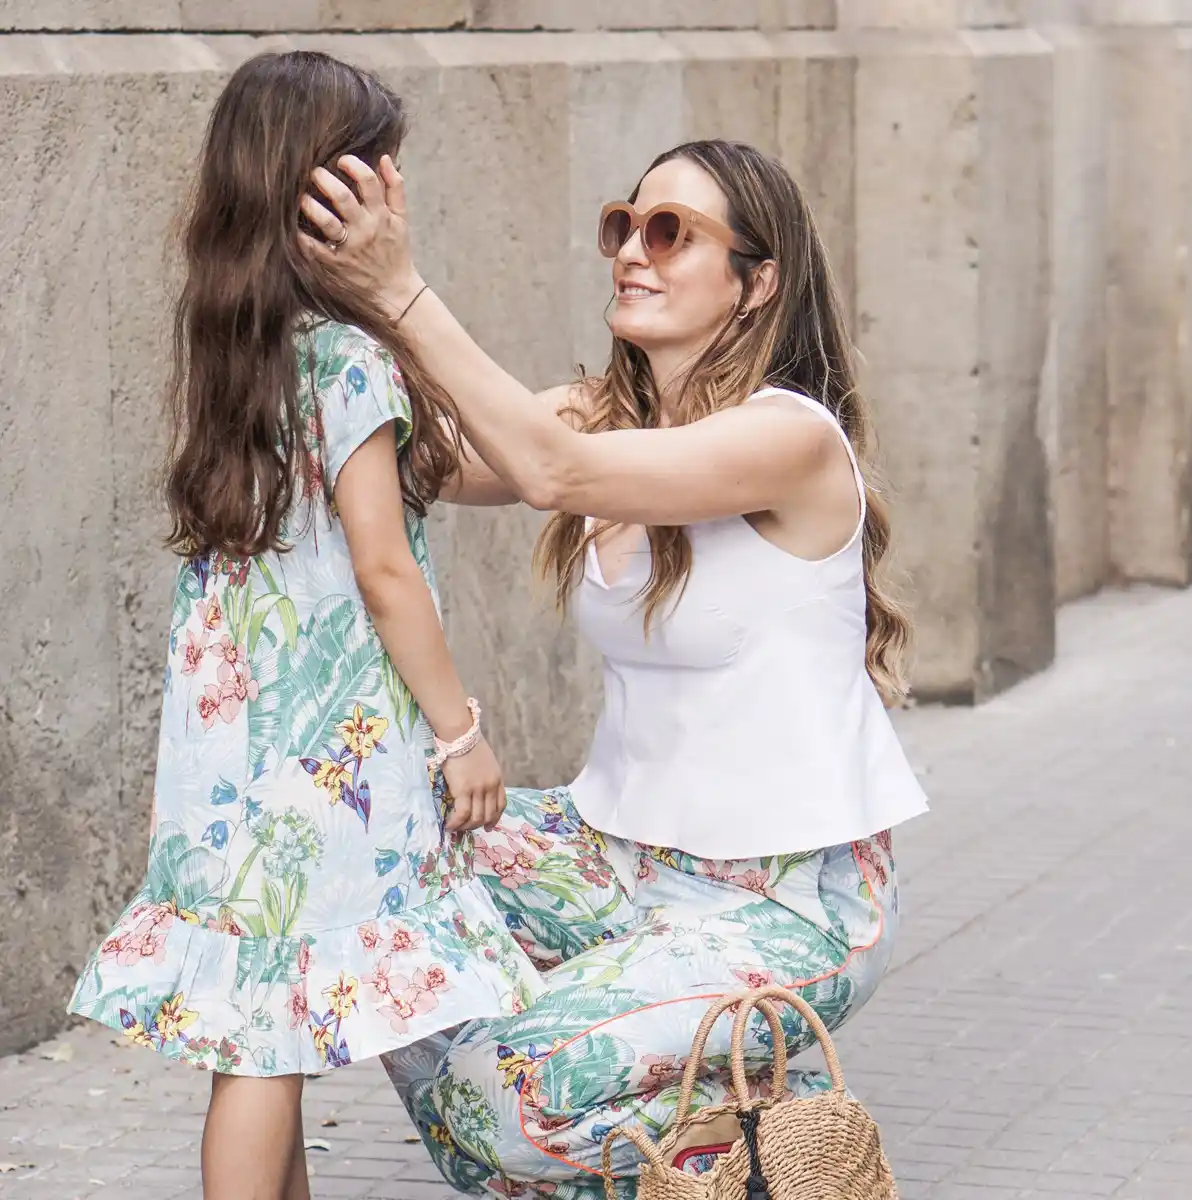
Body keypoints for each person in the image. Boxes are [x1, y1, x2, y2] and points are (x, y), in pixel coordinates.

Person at [301, 138, 929, 1194]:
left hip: (788, 903)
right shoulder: (598, 413)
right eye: (623, 225)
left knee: (502, 1098)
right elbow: (426, 453)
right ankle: (703, 1122)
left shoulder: (791, 439)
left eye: (671, 232)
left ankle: (739, 1136)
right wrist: (319, 304)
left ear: (757, 281)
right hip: (616, 853)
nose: (634, 251)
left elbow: (554, 472)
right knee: (378, 876)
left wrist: (400, 288)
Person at [65, 51, 543, 1200]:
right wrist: (460, 732)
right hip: (314, 747)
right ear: (334, 191)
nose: (398, 194)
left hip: (233, 743)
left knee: (259, 1023)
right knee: (264, 1045)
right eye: (383, 171)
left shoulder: (240, 345)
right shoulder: (348, 358)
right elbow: (382, 566)